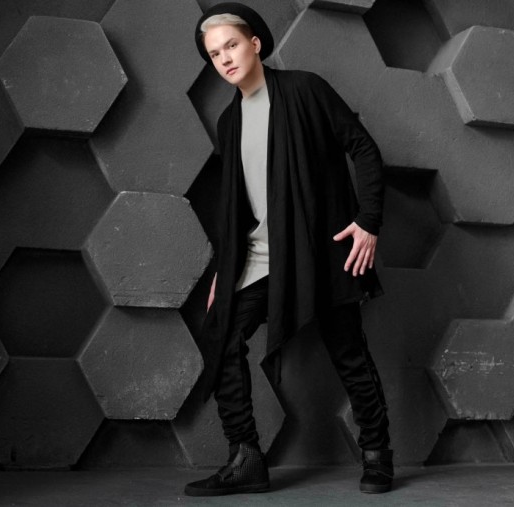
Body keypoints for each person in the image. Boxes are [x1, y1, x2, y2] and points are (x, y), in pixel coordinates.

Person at [184, 2, 393, 496]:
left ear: (255, 44)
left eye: (232, 45)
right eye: (215, 54)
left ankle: (377, 455)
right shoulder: (229, 122)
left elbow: (363, 148)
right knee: (221, 334)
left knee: (349, 352)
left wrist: (368, 222)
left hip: (322, 250)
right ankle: (245, 458)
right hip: (260, 259)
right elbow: (236, 207)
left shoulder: (305, 89)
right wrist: (225, 271)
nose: (225, 58)